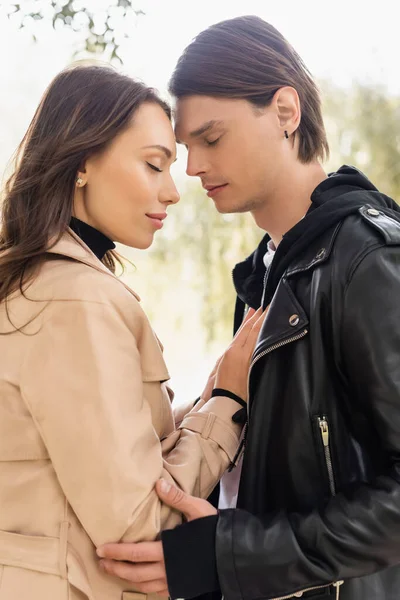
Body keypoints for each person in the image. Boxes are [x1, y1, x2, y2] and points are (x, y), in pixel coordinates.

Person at [98, 15, 400, 600]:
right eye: (185, 148)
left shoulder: (367, 262)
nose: (192, 168)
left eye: (212, 139)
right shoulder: (269, 268)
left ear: (286, 112)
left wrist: (231, 555)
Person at [0, 63, 266, 600]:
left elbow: (93, 455)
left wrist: (203, 401)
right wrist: (229, 406)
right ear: (81, 162)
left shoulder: (36, 282)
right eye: (153, 165)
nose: (173, 191)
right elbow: (140, 530)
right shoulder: (73, 299)